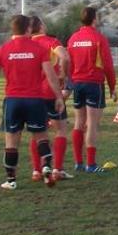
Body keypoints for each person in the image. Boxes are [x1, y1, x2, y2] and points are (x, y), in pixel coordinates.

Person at [0, 15, 64, 189]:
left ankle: (11, 180)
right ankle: (46, 168)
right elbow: (51, 76)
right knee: (41, 137)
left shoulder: (2, 50)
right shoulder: (39, 49)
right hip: (35, 100)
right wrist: (59, 96)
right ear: (28, 29)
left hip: (13, 101)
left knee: (11, 141)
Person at [66, 6, 117, 173]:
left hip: (77, 83)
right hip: (93, 83)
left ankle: (78, 163)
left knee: (78, 122)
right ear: (95, 19)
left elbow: (69, 63)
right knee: (92, 124)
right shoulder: (98, 38)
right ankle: (91, 164)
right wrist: (112, 87)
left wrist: (71, 82)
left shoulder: (73, 38)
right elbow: (108, 65)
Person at [30, 16, 73, 180]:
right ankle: (57, 170)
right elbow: (66, 56)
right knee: (61, 129)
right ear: (41, 26)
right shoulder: (51, 41)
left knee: (37, 132)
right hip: (50, 91)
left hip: (33, 94)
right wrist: (63, 73)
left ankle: (36, 170)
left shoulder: (29, 44)